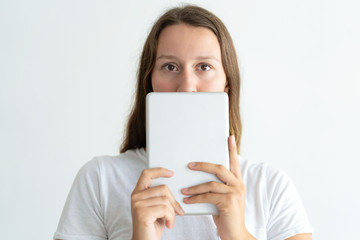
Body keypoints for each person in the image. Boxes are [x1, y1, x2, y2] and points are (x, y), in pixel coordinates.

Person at [54, 5, 313, 240]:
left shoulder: (270, 185)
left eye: (204, 67)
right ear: (149, 82)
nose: (187, 86)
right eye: (170, 67)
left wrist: (237, 234)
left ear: (227, 82)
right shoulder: (100, 179)